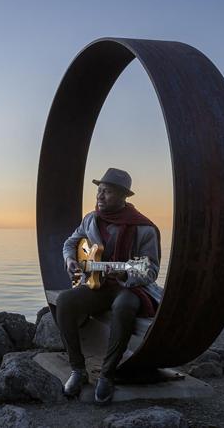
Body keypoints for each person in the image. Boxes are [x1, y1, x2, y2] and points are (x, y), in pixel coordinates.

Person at [55, 167, 163, 405]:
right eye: (99, 191)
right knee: (64, 302)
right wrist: (70, 259)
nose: (100, 196)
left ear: (124, 196)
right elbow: (70, 242)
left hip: (130, 288)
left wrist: (125, 273)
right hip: (98, 285)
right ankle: (78, 370)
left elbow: (151, 270)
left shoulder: (144, 228)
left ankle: (107, 374)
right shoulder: (91, 219)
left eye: (108, 192)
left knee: (124, 307)